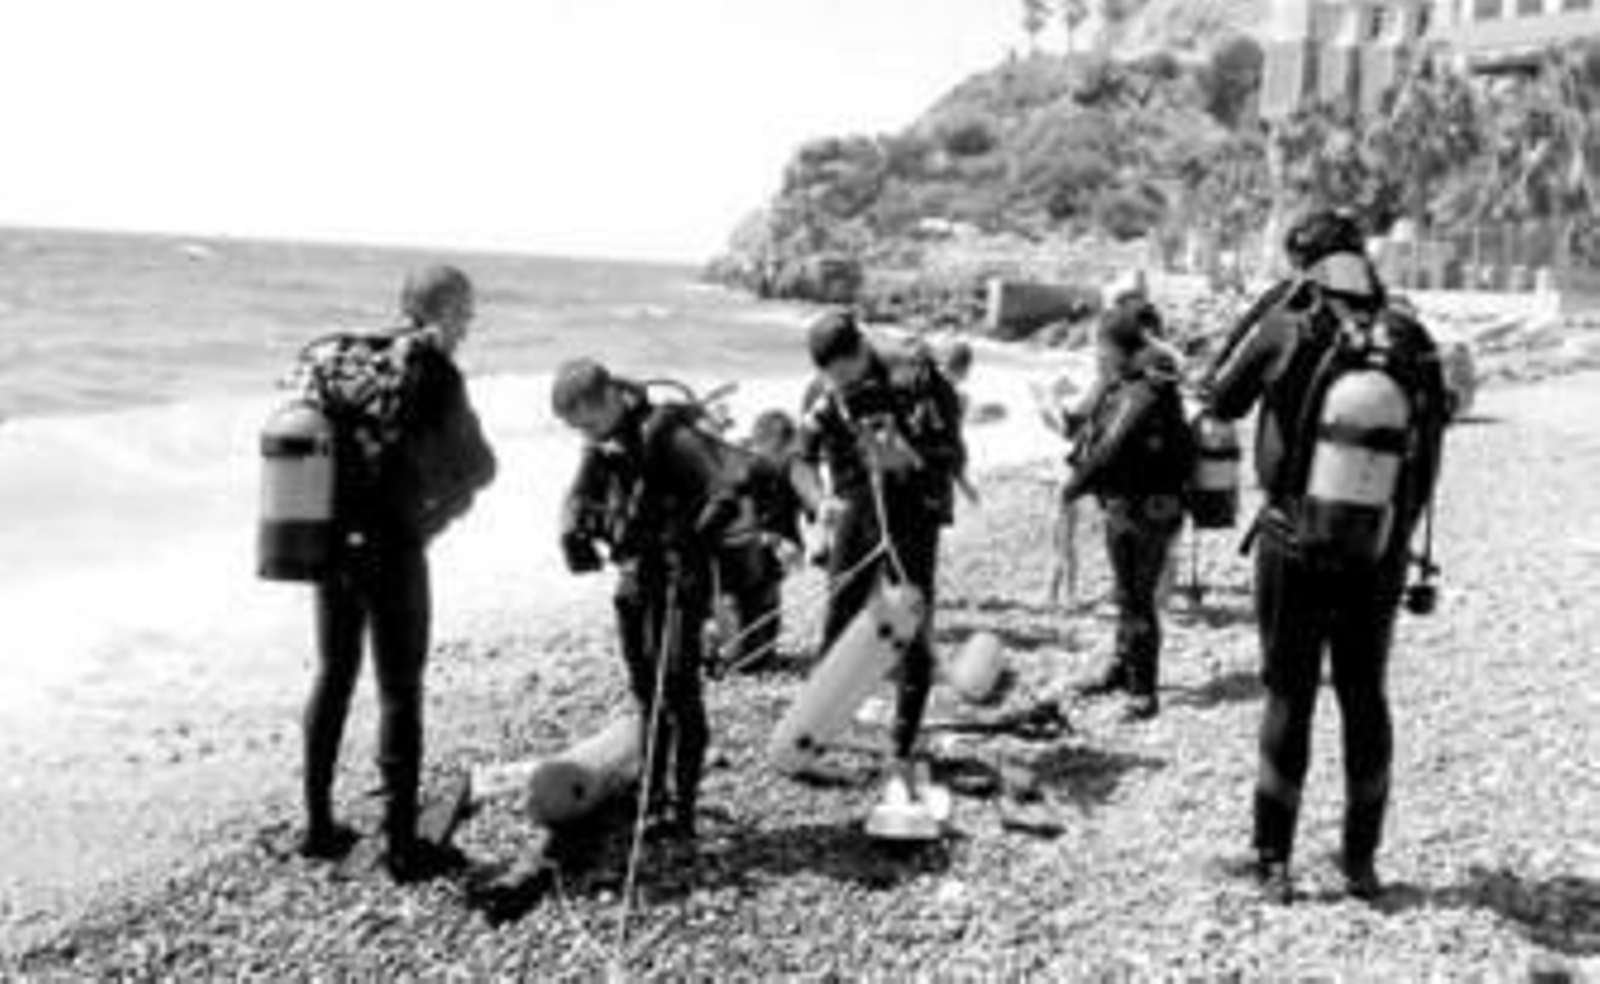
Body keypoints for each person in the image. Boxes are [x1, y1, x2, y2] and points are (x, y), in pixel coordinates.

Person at [1199, 209, 1448, 903]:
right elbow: (1431, 447)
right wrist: (1400, 540)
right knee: (1365, 696)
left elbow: (1220, 399)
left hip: (1292, 539)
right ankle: (1360, 863)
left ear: (1301, 262)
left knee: (1290, 694)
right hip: (1380, 547)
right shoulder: (1412, 338)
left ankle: (1271, 862)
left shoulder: (1288, 324)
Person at [300, 264, 497, 881]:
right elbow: (480, 466)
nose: (469, 323)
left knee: (334, 673)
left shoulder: (343, 358)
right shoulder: (433, 369)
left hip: (329, 541)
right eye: (464, 310)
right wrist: (434, 518)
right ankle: (405, 845)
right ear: (439, 309)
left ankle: (318, 826)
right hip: (393, 548)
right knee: (399, 689)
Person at [552, 359, 741, 841]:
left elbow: (725, 495)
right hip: (635, 579)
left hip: (680, 578)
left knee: (678, 690)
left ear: (610, 398)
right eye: (579, 429)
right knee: (645, 692)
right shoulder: (603, 443)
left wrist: (689, 541)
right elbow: (576, 495)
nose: (587, 435)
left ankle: (684, 808)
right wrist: (572, 533)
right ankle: (651, 795)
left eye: (589, 422)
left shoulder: (667, 435)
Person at [791, 309, 966, 802]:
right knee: (839, 616)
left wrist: (908, 458)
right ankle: (813, 735)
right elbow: (800, 460)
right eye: (829, 375)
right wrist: (818, 502)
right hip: (854, 508)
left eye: (844, 371)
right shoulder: (824, 391)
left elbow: (952, 453)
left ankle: (902, 745)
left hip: (913, 511)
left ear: (861, 350)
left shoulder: (917, 379)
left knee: (909, 622)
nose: (837, 382)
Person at [1061, 295, 1192, 721]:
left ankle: (1143, 692)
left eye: (1101, 345)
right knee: (1127, 595)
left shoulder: (1143, 390)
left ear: (1118, 346)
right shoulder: (1133, 383)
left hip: (1144, 511)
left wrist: (1072, 487)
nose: (1098, 354)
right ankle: (1121, 669)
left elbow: (1111, 449)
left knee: (1137, 600)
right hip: (1133, 505)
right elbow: (1096, 437)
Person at [710, 409, 805, 673]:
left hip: (766, 545)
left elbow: (789, 512)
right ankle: (742, 654)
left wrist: (793, 543)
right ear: (766, 443)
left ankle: (763, 652)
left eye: (791, 447)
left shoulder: (783, 467)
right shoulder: (744, 470)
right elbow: (732, 526)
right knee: (750, 598)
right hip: (739, 550)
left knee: (770, 594)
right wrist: (773, 541)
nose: (790, 453)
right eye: (784, 448)